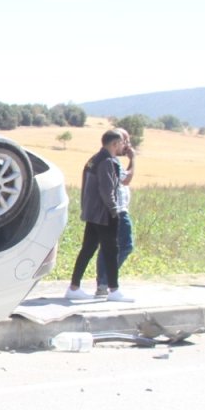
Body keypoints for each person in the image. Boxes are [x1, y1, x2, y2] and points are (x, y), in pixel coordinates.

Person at [65, 130, 134, 302]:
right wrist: (114, 211)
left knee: (87, 250)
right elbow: (107, 190)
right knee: (111, 251)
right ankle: (114, 290)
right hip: (104, 213)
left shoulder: (93, 160)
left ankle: (74, 288)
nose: (123, 146)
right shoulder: (107, 161)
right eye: (121, 143)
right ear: (115, 144)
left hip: (92, 212)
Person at [91, 128, 136, 296]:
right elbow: (127, 180)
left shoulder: (109, 160)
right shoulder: (111, 162)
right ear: (116, 142)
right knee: (126, 245)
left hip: (110, 209)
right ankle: (106, 281)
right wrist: (133, 159)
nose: (128, 145)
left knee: (107, 247)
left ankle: (102, 284)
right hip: (117, 210)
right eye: (125, 141)